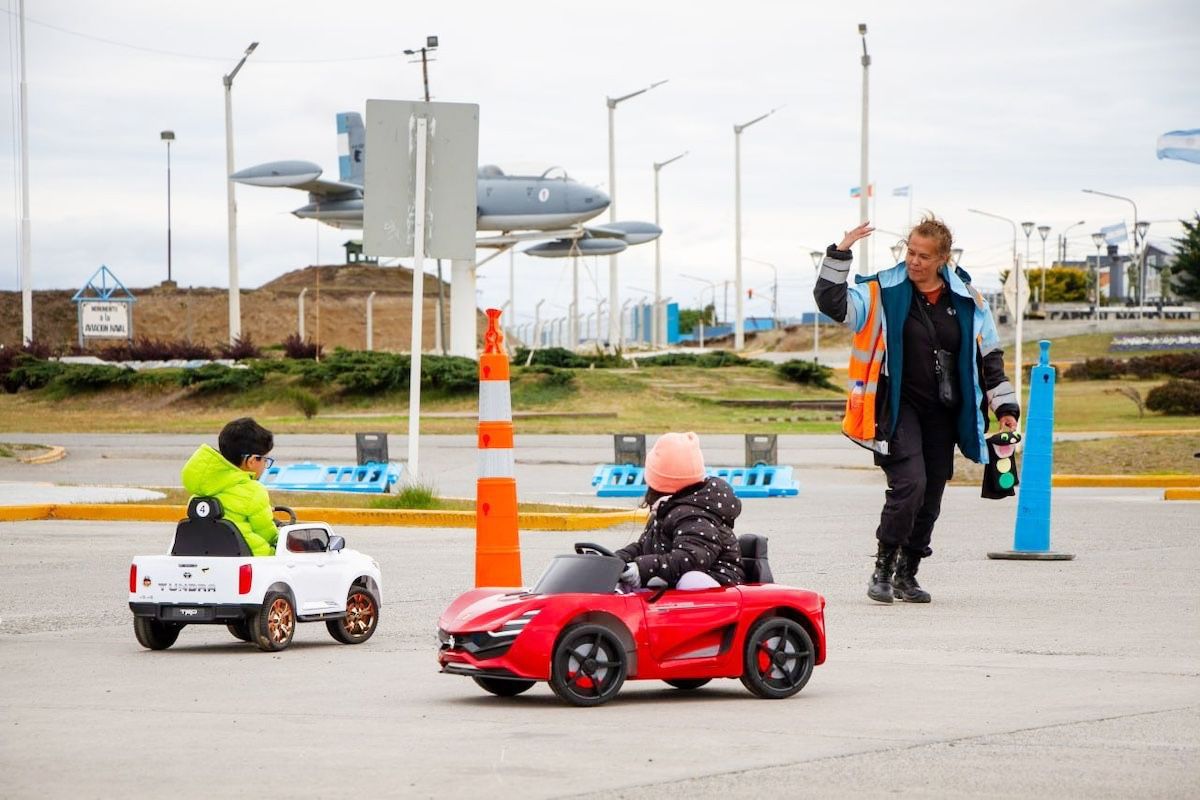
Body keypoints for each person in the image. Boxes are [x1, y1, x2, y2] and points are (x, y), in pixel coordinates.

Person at [814, 217, 1020, 604]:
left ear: (943, 259)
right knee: (910, 485)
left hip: (945, 413)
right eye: (910, 252)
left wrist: (1004, 406)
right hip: (896, 408)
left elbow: (989, 358)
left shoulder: (969, 301)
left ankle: (907, 573)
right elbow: (833, 304)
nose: (914, 261)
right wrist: (840, 254)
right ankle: (883, 569)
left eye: (924, 256)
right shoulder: (881, 292)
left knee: (932, 495)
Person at [615, 432, 745, 591]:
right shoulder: (665, 510)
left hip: (720, 584)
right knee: (625, 581)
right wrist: (616, 560)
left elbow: (691, 558)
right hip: (673, 577)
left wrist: (643, 569)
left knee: (692, 579)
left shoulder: (694, 516)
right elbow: (644, 548)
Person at [181, 417, 278, 556]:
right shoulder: (253, 491)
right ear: (251, 461)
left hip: (207, 555)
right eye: (265, 460)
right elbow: (268, 534)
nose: (265, 465)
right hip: (252, 558)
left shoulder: (201, 490)